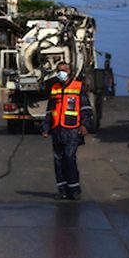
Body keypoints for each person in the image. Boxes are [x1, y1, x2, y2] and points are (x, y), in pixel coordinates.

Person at [41, 62, 93, 201]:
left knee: (69, 158)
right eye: (58, 71)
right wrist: (46, 128)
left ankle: (74, 189)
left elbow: (85, 108)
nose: (61, 73)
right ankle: (62, 190)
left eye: (63, 70)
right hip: (57, 130)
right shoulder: (54, 88)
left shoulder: (78, 87)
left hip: (72, 129)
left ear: (69, 71)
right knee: (58, 161)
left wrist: (85, 125)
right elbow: (49, 110)